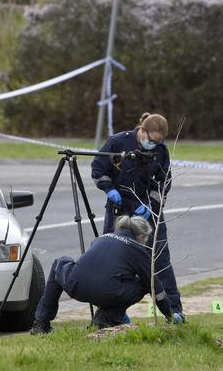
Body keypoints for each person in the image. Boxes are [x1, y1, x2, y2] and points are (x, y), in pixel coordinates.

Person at [91, 112, 184, 317]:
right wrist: (109, 189)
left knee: (159, 259)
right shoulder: (118, 142)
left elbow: (163, 182)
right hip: (119, 207)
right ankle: (108, 315)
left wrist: (151, 206)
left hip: (147, 211)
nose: (154, 145)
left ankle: (174, 310)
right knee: (113, 260)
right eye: (151, 141)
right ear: (142, 131)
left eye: (158, 142)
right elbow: (98, 168)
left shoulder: (161, 151)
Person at [31, 216, 184, 334]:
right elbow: (155, 287)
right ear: (142, 236)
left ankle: (41, 323)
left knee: (60, 262)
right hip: (107, 293)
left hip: (75, 285)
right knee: (144, 283)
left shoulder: (103, 237)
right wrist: (170, 314)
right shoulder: (138, 249)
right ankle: (106, 318)